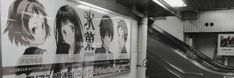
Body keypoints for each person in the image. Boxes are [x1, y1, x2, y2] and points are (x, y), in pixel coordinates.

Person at [4, 0, 50, 76]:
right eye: (34, 29)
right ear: (22, 35)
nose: (42, 31)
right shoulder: (43, 54)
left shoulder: (20, 59)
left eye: (42, 25)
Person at [52, 5, 83, 76]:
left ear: (77, 29)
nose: (69, 35)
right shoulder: (61, 54)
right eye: (64, 31)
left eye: (72, 28)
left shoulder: (82, 53)